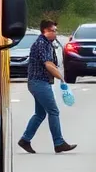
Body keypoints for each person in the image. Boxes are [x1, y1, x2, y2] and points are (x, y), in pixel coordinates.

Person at [18, 19, 76, 154]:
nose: (55, 33)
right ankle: (59, 142)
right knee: (53, 111)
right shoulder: (41, 44)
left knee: (40, 113)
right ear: (45, 31)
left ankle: (25, 140)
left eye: (56, 31)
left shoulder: (47, 43)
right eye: (53, 31)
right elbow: (48, 64)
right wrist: (62, 78)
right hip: (39, 82)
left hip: (38, 82)